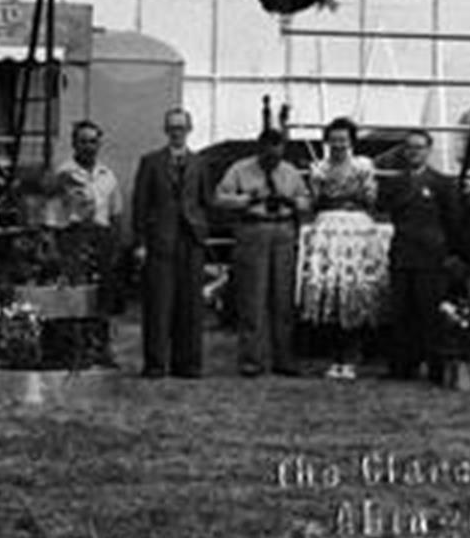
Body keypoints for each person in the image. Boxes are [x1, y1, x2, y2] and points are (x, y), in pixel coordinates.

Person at [213, 127, 311, 377]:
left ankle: (284, 358)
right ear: (260, 148)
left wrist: (292, 202)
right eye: (268, 152)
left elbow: (307, 200)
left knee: (283, 298)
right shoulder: (239, 169)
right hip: (253, 230)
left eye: (278, 152)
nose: (273, 157)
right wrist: (247, 199)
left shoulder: (290, 171)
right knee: (252, 298)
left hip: (283, 231)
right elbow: (220, 198)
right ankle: (251, 359)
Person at [297, 116, 388, 380]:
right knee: (331, 294)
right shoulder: (319, 168)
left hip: (357, 230)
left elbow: (371, 198)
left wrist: (350, 196)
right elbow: (314, 200)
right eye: (334, 139)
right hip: (327, 230)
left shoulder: (363, 166)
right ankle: (334, 357)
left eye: (343, 140)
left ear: (351, 142)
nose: (338, 144)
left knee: (354, 291)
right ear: (327, 141)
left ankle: (352, 356)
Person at [132, 107, 212, 378]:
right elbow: (140, 205)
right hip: (160, 240)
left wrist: (202, 230)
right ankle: (155, 364)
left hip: (191, 241)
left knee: (191, 306)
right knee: (158, 304)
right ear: (166, 131)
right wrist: (140, 242)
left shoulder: (199, 163)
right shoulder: (150, 162)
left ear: (189, 130)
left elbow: (205, 201)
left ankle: (188, 364)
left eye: (181, 127)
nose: (177, 132)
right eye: (172, 128)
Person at [381, 128, 464, 384]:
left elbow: (453, 221)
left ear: (429, 151)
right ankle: (402, 367)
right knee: (401, 313)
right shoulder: (395, 183)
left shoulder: (442, 183)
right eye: (409, 147)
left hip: (431, 257)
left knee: (430, 314)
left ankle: (436, 367)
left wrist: (452, 253)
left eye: (419, 147)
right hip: (403, 254)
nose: (413, 152)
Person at [49, 119, 128, 323]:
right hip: (73, 241)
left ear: (99, 145)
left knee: (102, 302)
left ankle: (99, 345)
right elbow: (53, 216)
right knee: (75, 300)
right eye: (83, 141)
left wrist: (116, 249)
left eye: (93, 141)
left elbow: (116, 214)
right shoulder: (63, 174)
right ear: (74, 144)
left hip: (102, 241)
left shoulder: (108, 175)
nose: (88, 147)